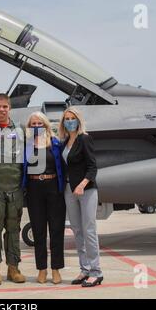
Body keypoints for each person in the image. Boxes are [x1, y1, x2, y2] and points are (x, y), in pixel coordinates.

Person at [58, 107, 103, 287]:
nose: (69, 121)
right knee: (76, 230)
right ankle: (84, 269)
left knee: (89, 230)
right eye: (66, 119)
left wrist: (82, 184)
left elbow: (93, 167)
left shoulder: (85, 138)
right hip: (69, 191)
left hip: (86, 190)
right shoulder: (65, 142)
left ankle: (96, 271)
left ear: (78, 120)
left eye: (72, 118)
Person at [0, 93, 26, 285]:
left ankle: (13, 268)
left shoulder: (20, 131)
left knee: (13, 229)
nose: (1, 110)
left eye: (4, 107)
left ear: (9, 109)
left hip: (15, 187)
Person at [23, 112, 66, 284]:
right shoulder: (26, 146)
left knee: (56, 230)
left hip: (54, 188)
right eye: (32, 124)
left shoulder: (55, 144)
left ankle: (56, 269)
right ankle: (42, 269)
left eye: (39, 123)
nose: (36, 126)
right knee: (38, 231)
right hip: (34, 190)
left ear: (46, 125)